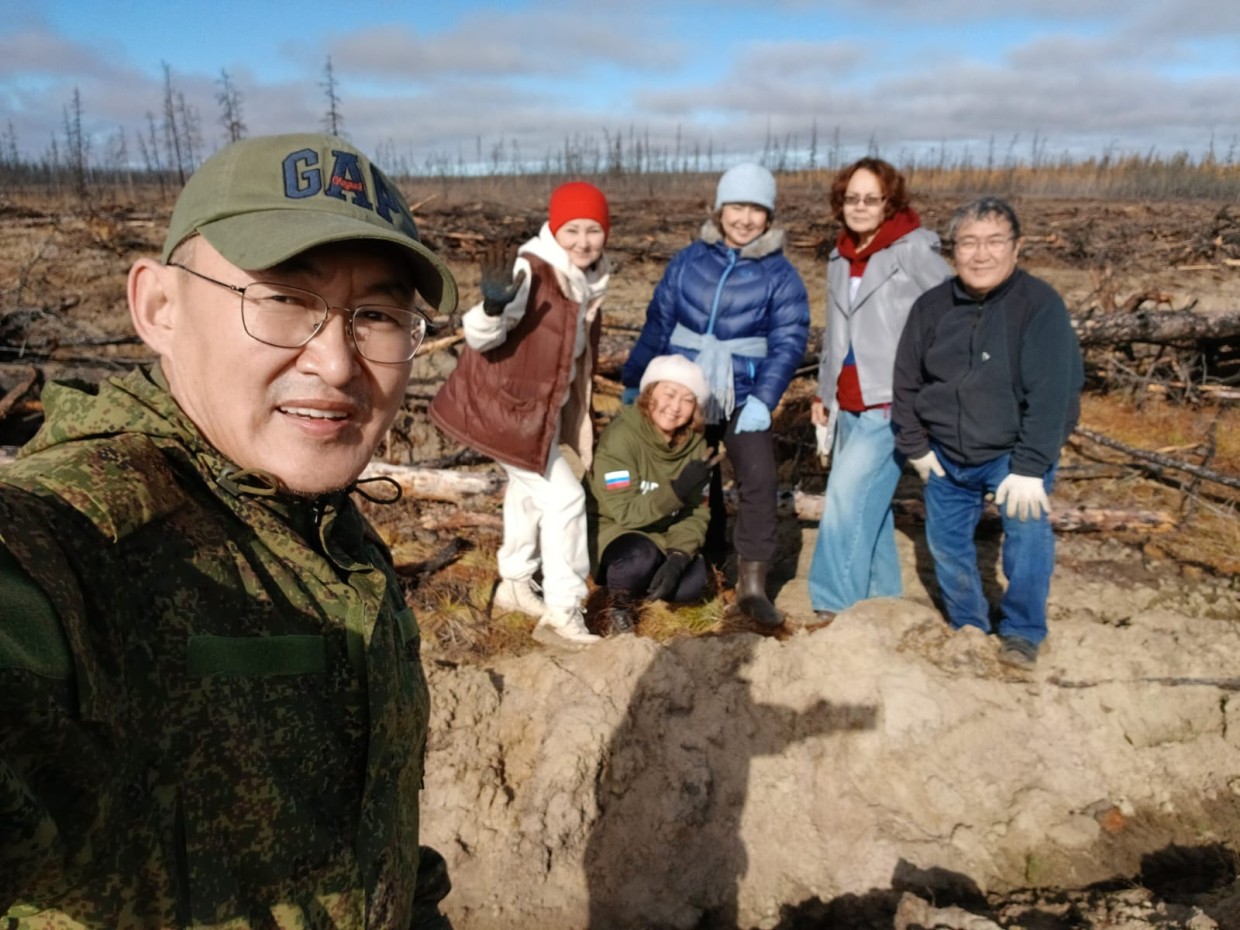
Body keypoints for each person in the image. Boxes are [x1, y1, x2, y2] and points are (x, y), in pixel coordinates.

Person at [0, 134, 456, 926]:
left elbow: (367, 827)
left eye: (377, 315)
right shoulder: (77, 537)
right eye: (283, 298)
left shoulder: (329, 529)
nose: (339, 364)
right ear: (158, 308)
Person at [891, 196, 1084, 669]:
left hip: (1013, 455)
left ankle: (1021, 631)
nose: (981, 254)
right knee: (947, 544)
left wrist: (1030, 468)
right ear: (952, 251)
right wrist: (916, 446)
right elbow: (906, 380)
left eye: (994, 241)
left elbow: (1054, 394)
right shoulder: (931, 307)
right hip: (946, 454)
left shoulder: (1039, 306)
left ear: (1016, 248)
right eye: (969, 243)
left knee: (1027, 539)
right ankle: (969, 623)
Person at [620, 163, 810, 629]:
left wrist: (764, 398)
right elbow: (659, 322)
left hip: (745, 392)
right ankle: (700, 563)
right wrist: (635, 379)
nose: (745, 218)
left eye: (756, 209)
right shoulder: (689, 261)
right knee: (693, 479)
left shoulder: (780, 276)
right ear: (720, 209)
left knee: (759, 482)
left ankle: (751, 587)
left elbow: (789, 340)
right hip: (686, 389)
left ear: (769, 215)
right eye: (737, 206)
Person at [428, 181, 611, 649]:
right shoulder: (532, 271)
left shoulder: (586, 279)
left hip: (532, 415)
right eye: (573, 229)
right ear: (554, 228)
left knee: (529, 494)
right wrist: (492, 306)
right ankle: (563, 612)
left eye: (594, 230)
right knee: (565, 500)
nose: (584, 241)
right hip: (503, 412)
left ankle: (513, 583)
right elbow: (480, 336)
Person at [806, 158, 951, 623]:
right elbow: (836, 333)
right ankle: (880, 599)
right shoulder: (839, 255)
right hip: (847, 401)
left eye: (872, 198)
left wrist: (930, 382)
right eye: (852, 198)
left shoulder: (912, 251)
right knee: (868, 503)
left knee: (847, 499)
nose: (861, 207)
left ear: (890, 202)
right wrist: (823, 393)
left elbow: (950, 314)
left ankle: (832, 606)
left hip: (890, 401)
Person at [587, 355, 720, 633]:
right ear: (649, 394)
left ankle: (643, 584)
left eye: (687, 399)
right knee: (639, 558)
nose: (675, 407)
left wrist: (678, 556)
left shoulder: (696, 445)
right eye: (668, 394)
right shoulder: (621, 437)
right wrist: (678, 489)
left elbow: (696, 512)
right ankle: (619, 607)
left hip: (662, 535)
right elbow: (625, 511)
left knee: (692, 582)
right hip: (614, 530)